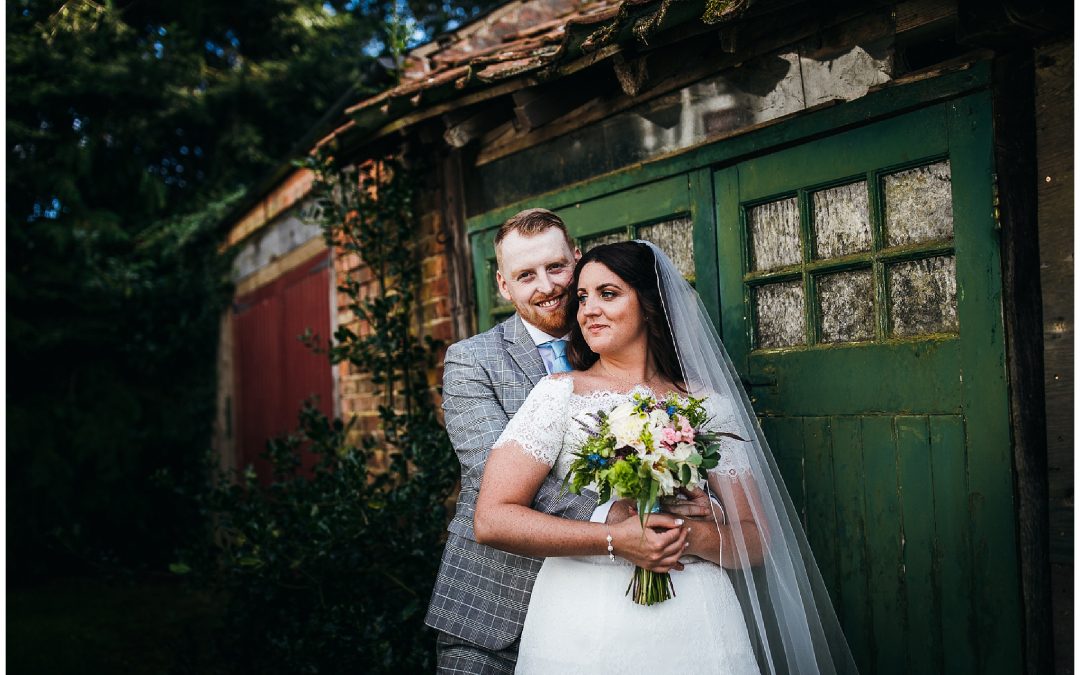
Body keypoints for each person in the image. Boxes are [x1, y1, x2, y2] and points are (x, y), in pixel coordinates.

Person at [474, 241, 859, 674]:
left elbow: (757, 538)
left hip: (697, 623)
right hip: (585, 619)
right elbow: (492, 518)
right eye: (582, 297)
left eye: (608, 293)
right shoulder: (559, 395)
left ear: (650, 302)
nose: (587, 311)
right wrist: (616, 540)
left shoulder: (708, 404)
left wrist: (690, 536)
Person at [425, 211, 693, 674]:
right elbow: (492, 479)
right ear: (504, 286)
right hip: (493, 608)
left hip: (605, 609)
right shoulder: (472, 362)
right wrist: (616, 516)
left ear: (576, 257)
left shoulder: (621, 341)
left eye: (556, 268)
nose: (546, 286)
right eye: (525, 275)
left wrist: (687, 499)